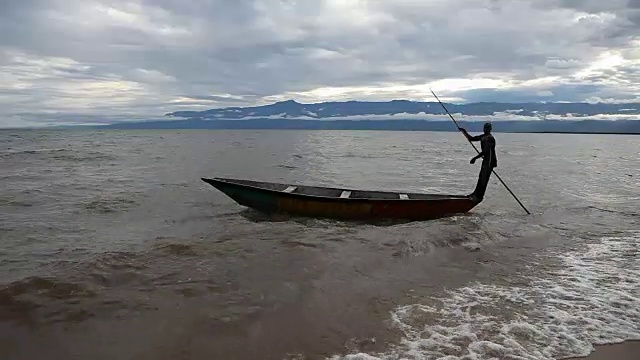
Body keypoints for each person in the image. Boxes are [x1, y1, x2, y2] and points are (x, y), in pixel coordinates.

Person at [459, 122, 497, 202]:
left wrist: (475, 158)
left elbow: (485, 151)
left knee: (484, 179)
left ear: (490, 129)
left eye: (487, 128)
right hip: (486, 160)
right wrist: (464, 132)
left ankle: (479, 196)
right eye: (484, 128)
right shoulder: (483, 136)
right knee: (481, 177)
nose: (485, 130)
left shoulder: (490, 138)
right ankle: (475, 193)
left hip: (490, 161)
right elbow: (471, 139)